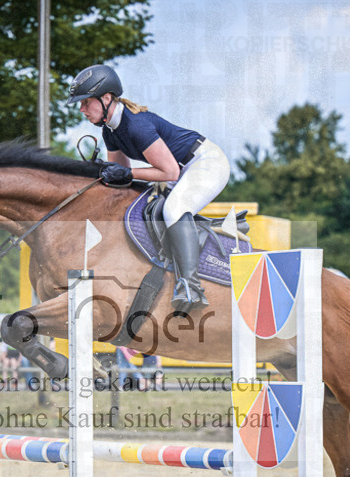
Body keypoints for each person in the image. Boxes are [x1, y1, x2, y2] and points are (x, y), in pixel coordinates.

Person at [67, 64, 231, 310]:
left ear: (106, 98)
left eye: (85, 102)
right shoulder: (110, 131)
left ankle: (191, 287)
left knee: (174, 210)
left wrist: (128, 172)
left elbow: (169, 172)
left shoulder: (136, 126)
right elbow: (121, 180)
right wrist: (100, 173)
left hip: (205, 163)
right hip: (181, 170)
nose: (81, 109)